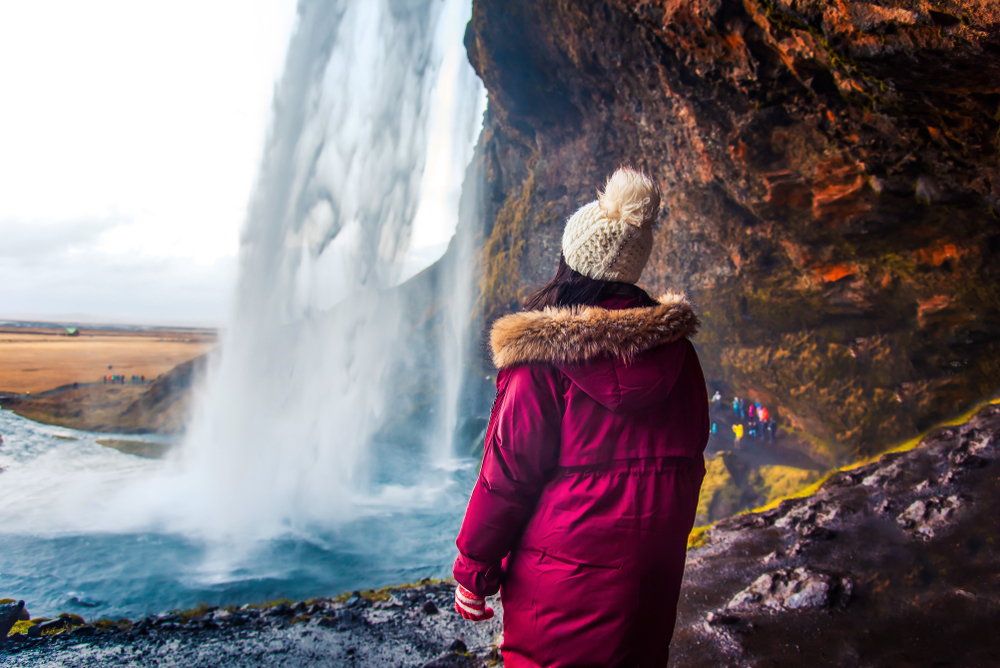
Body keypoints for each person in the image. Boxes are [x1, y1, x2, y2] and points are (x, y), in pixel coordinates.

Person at [452, 167, 708, 667]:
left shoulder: (543, 362)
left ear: (569, 262)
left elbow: (506, 479)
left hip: (558, 590)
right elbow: (690, 459)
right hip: (651, 582)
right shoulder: (682, 358)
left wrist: (473, 571)